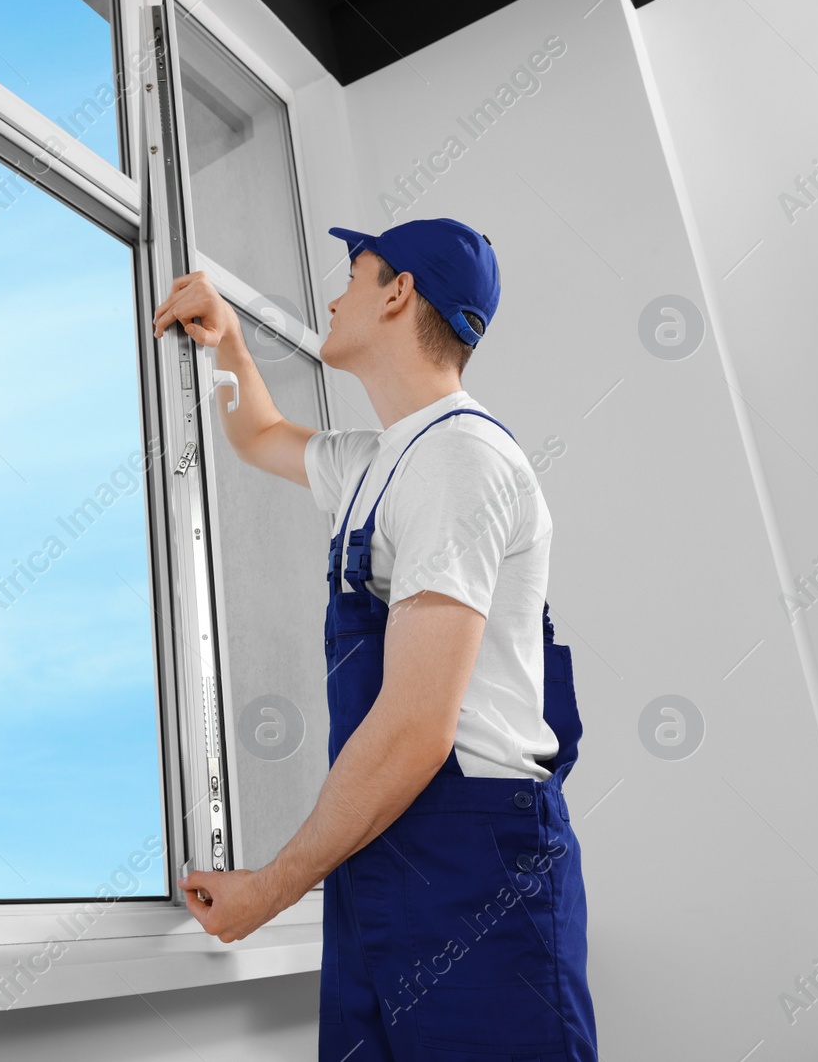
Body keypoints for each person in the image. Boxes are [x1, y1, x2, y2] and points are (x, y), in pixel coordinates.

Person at [152, 218, 598, 1061]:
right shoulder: (383, 461)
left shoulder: (460, 461)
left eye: (351, 276)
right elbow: (257, 437)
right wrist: (226, 345)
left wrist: (268, 892)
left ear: (398, 293)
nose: (331, 295)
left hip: (477, 867)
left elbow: (415, 728)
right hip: (386, 851)